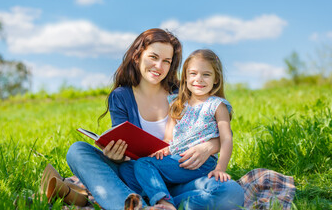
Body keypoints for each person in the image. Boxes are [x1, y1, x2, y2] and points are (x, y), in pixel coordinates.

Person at [66, 28, 244, 210]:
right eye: (153, 57)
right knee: (77, 150)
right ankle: (144, 205)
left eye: (166, 61)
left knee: (231, 192)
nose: (159, 66)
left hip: (180, 177)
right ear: (137, 56)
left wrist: (210, 146)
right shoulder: (121, 97)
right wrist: (116, 156)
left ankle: (152, 204)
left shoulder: (182, 94)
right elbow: (125, 149)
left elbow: (218, 130)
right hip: (135, 177)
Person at [133, 49, 235, 210]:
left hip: (202, 163)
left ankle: (164, 203)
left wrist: (220, 168)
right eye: (193, 73)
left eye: (206, 74)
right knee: (141, 165)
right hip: (177, 160)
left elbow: (226, 138)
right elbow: (168, 138)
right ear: (185, 77)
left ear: (216, 79)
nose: (198, 79)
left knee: (143, 165)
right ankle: (164, 199)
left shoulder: (217, 105)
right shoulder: (178, 104)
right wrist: (163, 149)